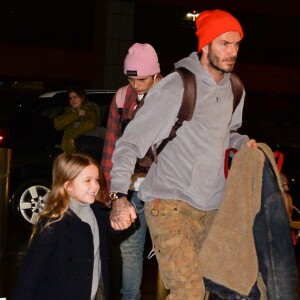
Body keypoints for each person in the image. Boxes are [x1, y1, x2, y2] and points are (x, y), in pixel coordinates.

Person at [108, 9, 258, 299]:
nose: (233, 52)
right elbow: (130, 143)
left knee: (216, 288)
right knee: (189, 292)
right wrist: (118, 195)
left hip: (212, 206)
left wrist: (242, 145)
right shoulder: (176, 86)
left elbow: (226, 133)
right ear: (205, 46)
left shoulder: (235, 88)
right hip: (169, 203)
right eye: (224, 43)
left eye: (237, 44)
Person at [101, 42, 163, 300]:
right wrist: (112, 190)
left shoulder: (170, 97)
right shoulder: (121, 97)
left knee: (169, 248)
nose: (135, 85)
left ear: (156, 74)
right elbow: (111, 144)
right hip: (130, 188)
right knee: (130, 249)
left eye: (143, 80)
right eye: (130, 79)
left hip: (163, 187)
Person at [12, 152, 113, 300]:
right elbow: (30, 273)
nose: (95, 186)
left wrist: (117, 225)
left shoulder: (97, 213)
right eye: (88, 180)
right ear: (68, 186)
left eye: (97, 180)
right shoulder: (54, 223)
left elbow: (99, 238)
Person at [54, 86, 105, 159]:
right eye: (70, 98)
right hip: (69, 152)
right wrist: (76, 115)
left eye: (75, 97)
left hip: (85, 151)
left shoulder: (89, 109)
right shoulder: (69, 111)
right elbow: (57, 125)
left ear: (82, 97)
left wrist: (73, 136)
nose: (73, 100)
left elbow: (91, 124)